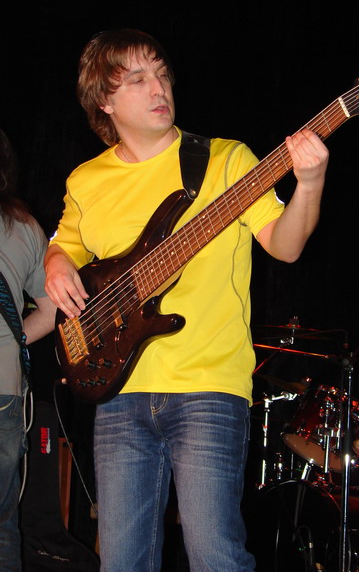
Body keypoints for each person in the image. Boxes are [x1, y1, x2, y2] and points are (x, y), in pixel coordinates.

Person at [44, 28, 329, 572]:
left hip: (208, 387)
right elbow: (66, 241)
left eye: (162, 74)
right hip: (117, 391)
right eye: (137, 79)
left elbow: (286, 247)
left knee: (215, 556)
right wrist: (56, 262)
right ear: (104, 102)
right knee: (120, 562)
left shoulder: (225, 159)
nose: (159, 88)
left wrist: (310, 183)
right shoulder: (86, 178)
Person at [0, 128, 56, 572]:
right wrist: (10, 340)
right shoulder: (26, 226)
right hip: (5, 392)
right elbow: (51, 312)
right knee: (3, 525)